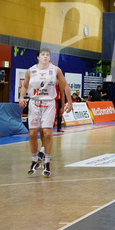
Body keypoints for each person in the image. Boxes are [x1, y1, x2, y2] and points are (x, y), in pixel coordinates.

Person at [19, 47, 73, 177]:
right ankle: (34, 160)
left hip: (49, 103)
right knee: (32, 133)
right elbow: (25, 86)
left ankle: (47, 162)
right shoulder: (30, 71)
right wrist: (21, 97)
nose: (45, 57)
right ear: (38, 57)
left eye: (47, 55)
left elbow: (64, 87)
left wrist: (68, 102)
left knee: (47, 133)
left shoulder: (55, 70)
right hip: (34, 103)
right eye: (42, 55)